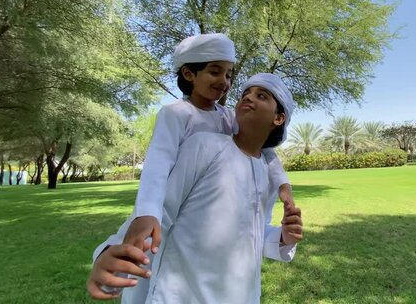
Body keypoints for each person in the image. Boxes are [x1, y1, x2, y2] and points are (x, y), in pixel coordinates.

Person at [86, 73, 303, 303]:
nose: (247, 98)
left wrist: (283, 238)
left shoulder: (267, 173)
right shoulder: (204, 146)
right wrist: (112, 252)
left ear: (278, 118)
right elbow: (158, 212)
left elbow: (254, 231)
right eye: (244, 94)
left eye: (261, 96)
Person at [121, 33, 295, 254]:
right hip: (173, 204)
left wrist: (283, 185)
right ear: (189, 73)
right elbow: (158, 163)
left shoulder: (227, 116)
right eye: (215, 72)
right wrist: (147, 211)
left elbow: (265, 152)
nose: (224, 81)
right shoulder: (175, 114)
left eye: (229, 75)